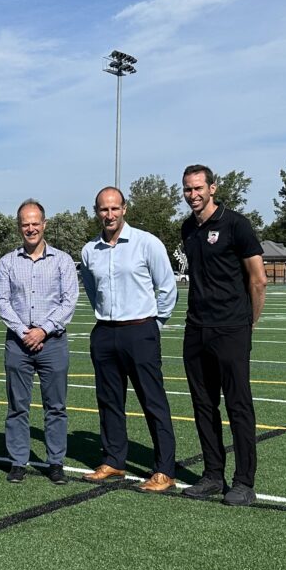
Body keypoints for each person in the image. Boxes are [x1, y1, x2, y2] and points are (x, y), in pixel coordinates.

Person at [78, 186, 179, 492]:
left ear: (124, 209)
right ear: (97, 212)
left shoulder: (147, 243)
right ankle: (114, 460)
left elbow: (167, 287)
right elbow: (93, 290)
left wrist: (155, 324)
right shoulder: (89, 250)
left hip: (140, 331)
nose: (109, 214)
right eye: (103, 209)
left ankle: (164, 470)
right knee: (109, 400)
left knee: (152, 400)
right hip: (105, 332)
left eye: (114, 208)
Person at [179, 164, 267, 506]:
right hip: (196, 329)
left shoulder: (236, 224)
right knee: (203, 405)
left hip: (231, 329)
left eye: (198, 188)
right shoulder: (188, 228)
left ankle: (244, 482)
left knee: (238, 405)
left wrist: (248, 323)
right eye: (188, 189)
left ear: (212, 188)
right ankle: (213, 475)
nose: (193, 195)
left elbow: (258, 279)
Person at [0, 200, 79, 484]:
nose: (30, 228)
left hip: (53, 342)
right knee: (18, 406)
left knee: (56, 406)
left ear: (44, 224)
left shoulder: (62, 260)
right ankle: (18, 461)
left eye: (35, 223)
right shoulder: (7, 262)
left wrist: (43, 330)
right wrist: (24, 332)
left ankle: (55, 462)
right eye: (25, 224)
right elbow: (2, 302)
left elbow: (69, 301)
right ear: (19, 227)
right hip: (18, 343)